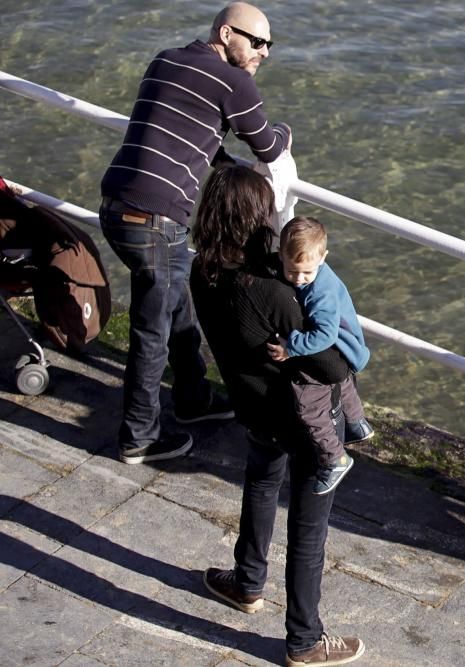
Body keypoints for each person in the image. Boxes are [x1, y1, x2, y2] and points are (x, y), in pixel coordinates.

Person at [99, 2, 292, 464]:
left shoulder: (165, 59)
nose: (264, 52)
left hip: (114, 206)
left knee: (177, 302)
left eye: (270, 45)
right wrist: (286, 131)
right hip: (155, 220)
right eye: (257, 41)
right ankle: (139, 437)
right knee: (153, 331)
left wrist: (222, 155)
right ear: (227, 34)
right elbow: (267, 143)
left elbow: (182, 132)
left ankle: (192, 398)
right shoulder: (234, 82)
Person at [190, 165, 365, 666]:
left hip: (253, 408)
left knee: (261, 486)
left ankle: (247, 583)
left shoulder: (202, 270)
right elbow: (331, 364)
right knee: (309, 530)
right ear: (256, 218)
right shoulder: (270, 289)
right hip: (305, 421)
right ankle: (304, 639)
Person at [266, 216, 374, 495]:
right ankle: (357, 424)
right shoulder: (317, 277)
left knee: (310, 409)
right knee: (343, 380)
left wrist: (291, 346)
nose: (299, 279)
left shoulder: (320, 294)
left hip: (337, 345)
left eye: (306, 273)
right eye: (292, 272)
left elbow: (324, 336)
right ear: (281, 256)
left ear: (323, 258)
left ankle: (334, 459)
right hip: (351, 348)